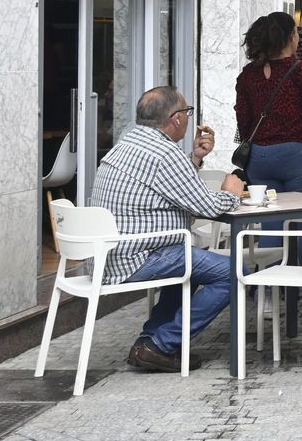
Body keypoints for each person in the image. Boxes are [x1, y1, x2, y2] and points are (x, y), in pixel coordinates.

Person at [92, 87, 245, 372]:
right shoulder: (164, 153)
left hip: (111, 255)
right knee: (235, 272)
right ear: (176, 118)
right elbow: (208, 206)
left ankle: (149, 343)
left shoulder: (127, 144)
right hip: (139, 256)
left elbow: (169, 187)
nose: (188, 118)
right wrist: (232, 193)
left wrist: (195, 158)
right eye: (187, 112)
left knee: (187, 262)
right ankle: (161, 344)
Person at [235, 12, 302, 210]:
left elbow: (243, 120)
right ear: (291, 37)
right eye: (296, 32)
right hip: (297, 155)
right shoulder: (301, 70)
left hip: (259, 157)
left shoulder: (248, 75)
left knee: (269, 218)